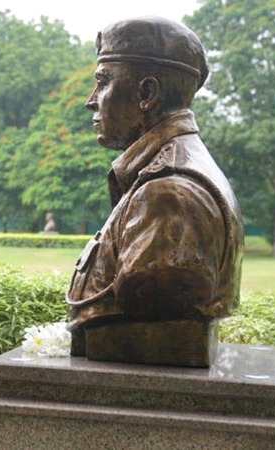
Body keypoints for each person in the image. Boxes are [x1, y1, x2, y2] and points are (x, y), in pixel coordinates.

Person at [66, 17, 244, 362]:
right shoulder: (158, 176)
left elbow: (154, 296)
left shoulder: (168, 193)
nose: (91, 100)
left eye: (102, 83)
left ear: (147, 93)